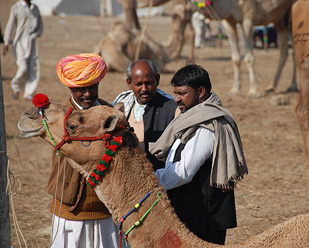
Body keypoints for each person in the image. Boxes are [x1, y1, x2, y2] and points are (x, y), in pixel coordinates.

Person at [150, 63, 248, 245]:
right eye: (175, 93)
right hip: (189, 212)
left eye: (182, 93)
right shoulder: (190, 118)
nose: (176, 99)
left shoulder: (207, 125)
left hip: (202, 218)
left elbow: (184, 171)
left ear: (201, 92)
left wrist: (150, 181)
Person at [49, 53, 121, 248]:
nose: (88, 94)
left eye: (92, 87)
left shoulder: (109, 113)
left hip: (105, 208)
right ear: (71, 87)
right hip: (71, 208)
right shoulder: (59, 118)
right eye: (81, 89)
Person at [112, 59, 178, 171]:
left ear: (157, 79)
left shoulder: (171, 108)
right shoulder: (122, 104)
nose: (144, 89)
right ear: (129, 83)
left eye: (148, 83)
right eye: (138, 84)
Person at [2, 0, 43, 100]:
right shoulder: (16, 7)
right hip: (20, 42)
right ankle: (16, 88)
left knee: (33, 68)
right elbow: (10, 26)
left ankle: (29, 93)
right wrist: (6, 42)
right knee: (23, 67)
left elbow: (40, 27)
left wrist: (35, 34)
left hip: (32, 43)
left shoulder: (35, 8)